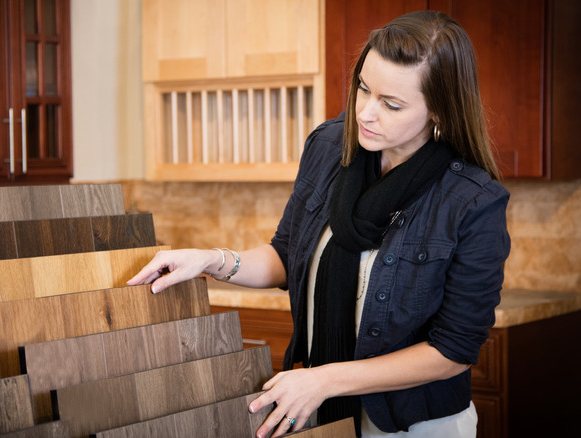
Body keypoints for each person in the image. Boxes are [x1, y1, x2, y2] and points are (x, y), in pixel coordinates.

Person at [128, 10, 510, 438]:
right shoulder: (330, 146)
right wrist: (211, 261)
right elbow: (287, 256)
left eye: (391, 104)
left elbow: (452, 351)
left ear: (439, 111)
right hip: (322, 418)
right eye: (363, 88)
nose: (365, 113)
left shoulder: (473, 201)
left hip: (416, 426)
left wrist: (325, 379)